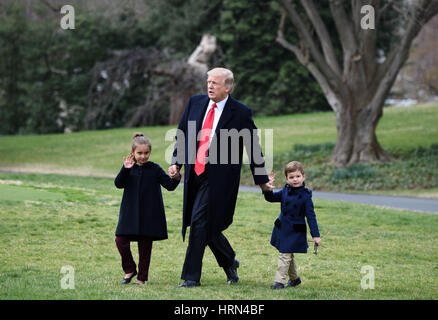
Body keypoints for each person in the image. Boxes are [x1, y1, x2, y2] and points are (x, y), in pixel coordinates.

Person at [168, 67, 273, 288]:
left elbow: (253, 147)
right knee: (207, 225)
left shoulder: (240, 112)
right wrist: (176, 161)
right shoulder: (195, 103)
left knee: (198, 223)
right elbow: (182, 134)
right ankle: (229, 261)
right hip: (194, 174)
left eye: (215, 83)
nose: (210, 86)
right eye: (208, 81)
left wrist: (262, 180)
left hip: (219, 180)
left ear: (228, 87)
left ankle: (191, 277)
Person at [114, 133, 181, 285]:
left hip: (149, 215)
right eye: (139, 153)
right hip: (130, 214)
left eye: (146, 153)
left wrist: (177, 177)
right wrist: (125, 169)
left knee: (145, 247)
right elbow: (118, 184)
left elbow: (170, 186)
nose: (143, 156)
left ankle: (141, 278)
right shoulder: (128, 168)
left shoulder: (155, 169)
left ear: (150, 152)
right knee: (120, 240)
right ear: (133, 153)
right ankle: (130, 269)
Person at [263, 161, 321, 289]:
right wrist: (267, 188)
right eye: (291, 177)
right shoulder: (285, 191)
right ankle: (295, 279)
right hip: (282, 228)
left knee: (284, 255)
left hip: (295, 231)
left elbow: (311, 217)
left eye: (298, 176)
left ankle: (279, 282)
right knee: (287, 254)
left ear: (303, 176)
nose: (295, 179)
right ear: (286, 179)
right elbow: (271, 198)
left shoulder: (306, 197)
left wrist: (315, 235)